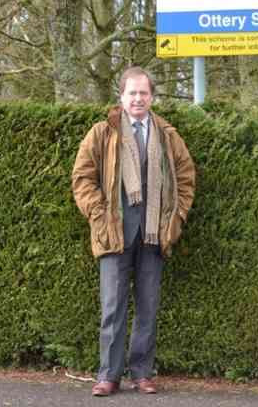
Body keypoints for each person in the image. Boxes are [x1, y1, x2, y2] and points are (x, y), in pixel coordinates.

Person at [71, 66, 196, 397]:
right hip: (113, 234)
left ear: (152, 97)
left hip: (154, 234)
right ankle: (108, 376)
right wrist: (98, 215)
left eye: (143, 93)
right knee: (112, 307)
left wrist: (177, 216)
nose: (138, 98)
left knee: (148, 306)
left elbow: (185, 177)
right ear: (121, 97)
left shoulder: (167, 135)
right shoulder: (102, 133)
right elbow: (82, 179)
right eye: (132, 93)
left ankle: (142, 373)